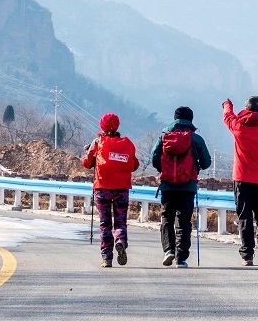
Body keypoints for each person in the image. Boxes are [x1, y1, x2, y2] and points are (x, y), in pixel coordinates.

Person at [222, 95, 258, 266]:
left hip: (241, 180)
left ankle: (247, 256)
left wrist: (227, 105)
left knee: (244, 217)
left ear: (246, 109)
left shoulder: (237, 125)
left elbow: (228, 116)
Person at [151, 106, 212, 268]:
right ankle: (181, 258)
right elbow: (207, 163)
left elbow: (154, 158)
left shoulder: (164, 136)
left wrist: (165, 170)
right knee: (184, 221)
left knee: (167, 218)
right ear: (190, 120)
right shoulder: (196, 139)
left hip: (167, 186)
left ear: (175, 119)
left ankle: (168, 250)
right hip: (188, 186)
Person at [82, 113, 139, 268]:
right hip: (122, 188)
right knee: (120, 221)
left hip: (102, 188)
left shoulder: (98, 142)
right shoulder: (126, 143)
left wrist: (87, 152)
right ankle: (120, 240)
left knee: (105, 223)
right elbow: (134, 165)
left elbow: (87, 163)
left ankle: (107, 258)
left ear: (102, 126)